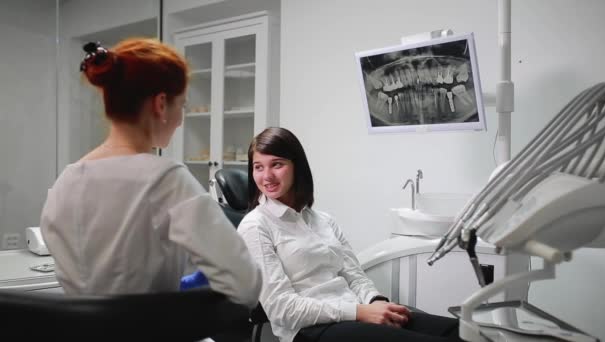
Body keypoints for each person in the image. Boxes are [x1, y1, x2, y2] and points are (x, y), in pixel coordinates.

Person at [40, 38, 261, 309]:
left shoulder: (65, 182)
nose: (181, 119)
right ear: (160, 104)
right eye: (182, 105)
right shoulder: (166, 179)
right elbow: (246, 284)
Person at [238, 127, 463, 342]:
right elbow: (282, 309)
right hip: (312, 330)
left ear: (297, 166)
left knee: (463, 332)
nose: (266, 176)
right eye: (258, 167)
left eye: (276, 165)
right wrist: (359, 312)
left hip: (356, 312)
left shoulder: (323, 220)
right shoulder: (255, 226)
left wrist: (376, 303)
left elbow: (355, 275)